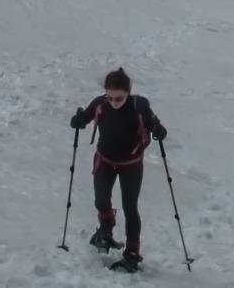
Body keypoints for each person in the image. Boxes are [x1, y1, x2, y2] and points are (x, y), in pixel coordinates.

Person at [70, 68, 167, 272]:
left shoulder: (139, 107)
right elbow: (86, 117)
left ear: (128, 92)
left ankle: (132, 253)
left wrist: (159, 129)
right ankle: (106, 229)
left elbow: (153, 123)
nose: (113, 102)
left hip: (131, 164)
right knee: (101, 199)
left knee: (130, 207)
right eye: (110, 97)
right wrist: (78, 120)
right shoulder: (99, 104)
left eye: (119, 98)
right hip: (105, 159)